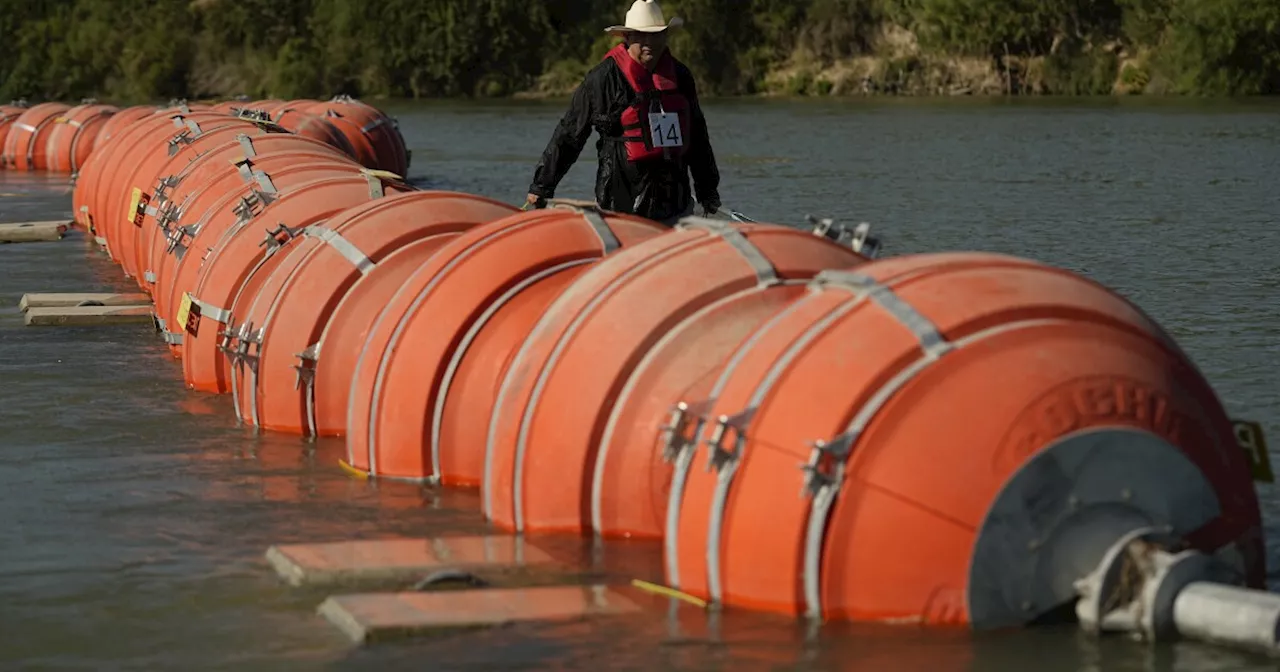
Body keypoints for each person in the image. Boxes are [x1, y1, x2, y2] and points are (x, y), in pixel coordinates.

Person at [524, 0, 721, 226]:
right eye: (641, 36)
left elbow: (697, 135)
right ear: (627, 38)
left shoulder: (680, 76)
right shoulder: (602, 78)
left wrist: (707, 190)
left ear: (665, 36)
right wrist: (542, 186)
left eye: (655, 35)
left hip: (674, 203)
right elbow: (570, 134)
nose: (649, 42)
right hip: (619, 203)